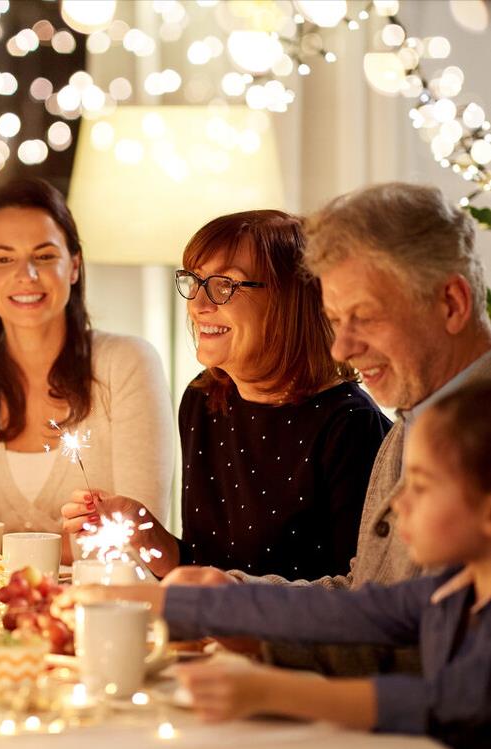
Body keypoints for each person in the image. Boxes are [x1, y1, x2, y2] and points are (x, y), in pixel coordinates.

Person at [158, 183, 491, 676]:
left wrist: (248, 624)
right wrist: (231, 598)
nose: (342, 348)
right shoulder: (412, 422)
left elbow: (434, 652)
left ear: (451, 303)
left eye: (364, 317)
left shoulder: (423, 427)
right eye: (335, 319)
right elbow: (370, 600)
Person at [61, 381, 491, 748]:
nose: (396, 503)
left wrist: (273, 691)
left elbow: (448, 704)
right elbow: (346, 612)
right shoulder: (452, 588)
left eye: (421, 485)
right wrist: (149, 600)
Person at [62, 211, 389, 580]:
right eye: (195, 281)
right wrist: (143, 530)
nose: (199, 304)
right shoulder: (204, 400)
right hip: (213, 632)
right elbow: (202, 569)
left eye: (224, 285)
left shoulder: (350, 426)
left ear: (290, 299)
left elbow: (357, 596)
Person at [0, 178, 174, 562]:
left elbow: (140, 543)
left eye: (44, 256)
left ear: (73, 266)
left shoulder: (128, 364)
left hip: (108, 607)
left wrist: (2, 553)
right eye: (4, 259)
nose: (27, 276)